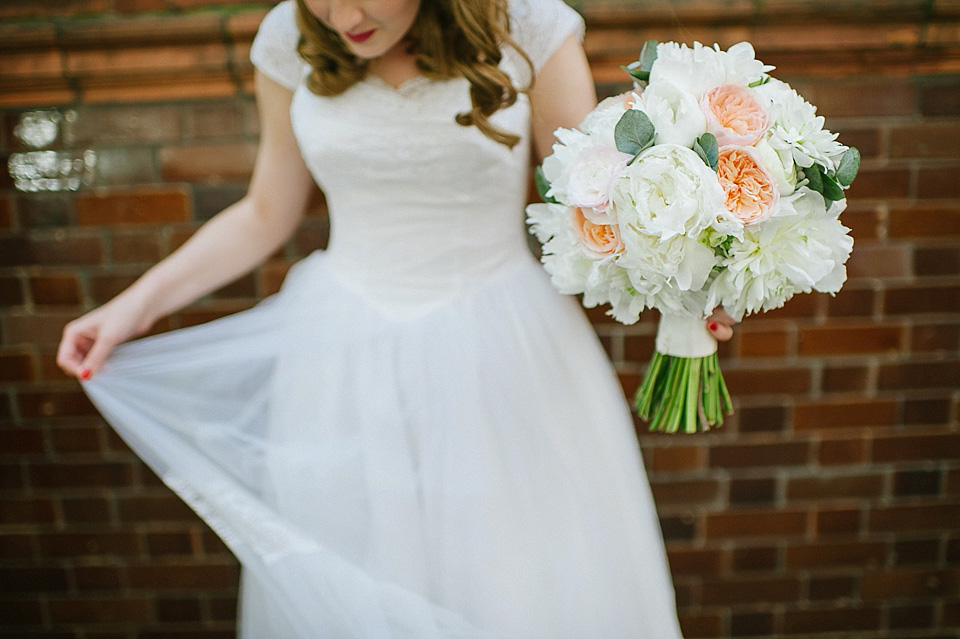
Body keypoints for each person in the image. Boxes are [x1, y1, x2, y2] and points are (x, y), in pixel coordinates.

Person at [58, 0, 735, 634]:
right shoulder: (287, 38)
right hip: (338, 366)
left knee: (513, 583)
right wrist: (128, 311)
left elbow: (596, 203)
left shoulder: (527, 26)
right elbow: (267, 211)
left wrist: (689, 283)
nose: (340, 16)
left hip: (502, 357)